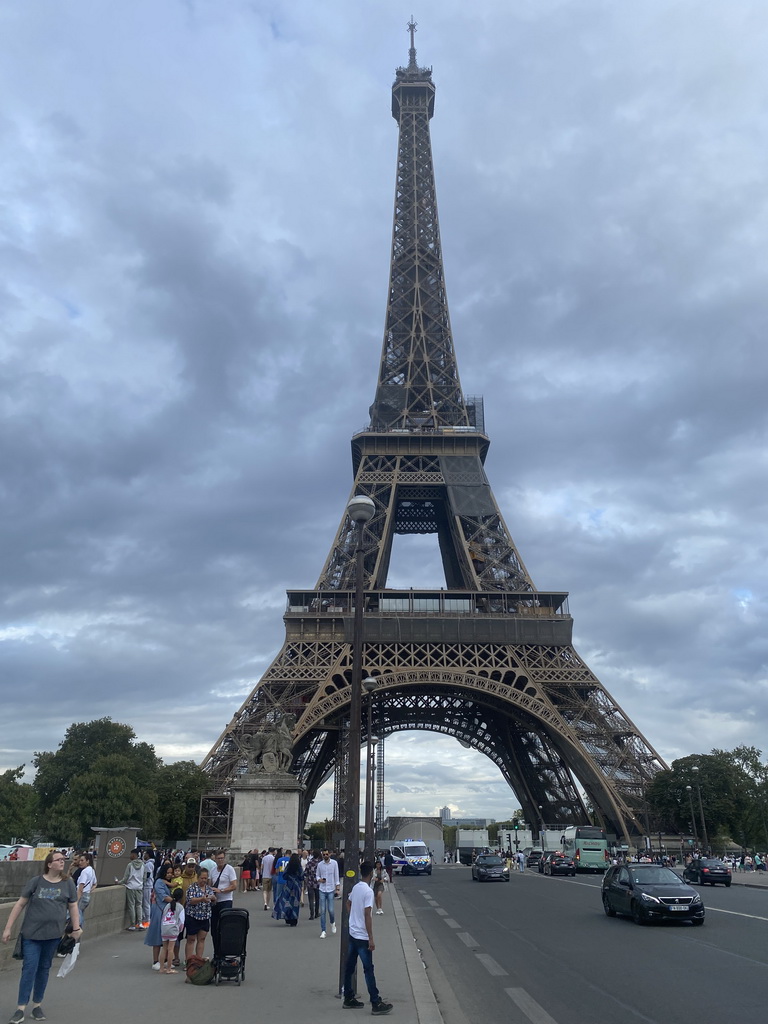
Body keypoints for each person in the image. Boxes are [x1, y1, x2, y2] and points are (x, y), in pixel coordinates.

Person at [2, 850, 82, 1023]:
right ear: (49, 864)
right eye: (58, 859)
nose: (62, 862)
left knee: (44, 969)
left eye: (63, 859)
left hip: (53, 935)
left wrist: (76, 928)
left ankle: (37, 1005)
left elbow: (73, 906)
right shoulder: (36, 882)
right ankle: (20, 1008)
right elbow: (20, 904)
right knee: (29, 969)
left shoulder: (67, 883)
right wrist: (8, 928)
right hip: (32, 935)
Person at [342, 861, 392, 1015]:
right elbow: (367, 915)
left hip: (353, 933)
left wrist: (352, 919)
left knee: (350, 967)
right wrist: (371, 938)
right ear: (370, 874)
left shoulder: (356, 887)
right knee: (368, 969)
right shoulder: (368, 892)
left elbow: (348, 903)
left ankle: (348, 997)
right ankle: (375, 1002)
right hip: (363, 936)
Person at [144, 863, 174, 970]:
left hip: (167, 911)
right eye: (168, 872)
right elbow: (163, 896)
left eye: (171, 873)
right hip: (159, 911)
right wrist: (175, 901)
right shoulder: (159, 883)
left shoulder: (168, 883)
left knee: (166, 936)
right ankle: (155, 960)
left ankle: (164, 959)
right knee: (157, 935)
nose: (169, 875)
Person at [184, 867, 216, 961]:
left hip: (205, 917)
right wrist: (202, 899)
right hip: (193, 916)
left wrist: (213, 899)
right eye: (202, 878)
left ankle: (198, 960)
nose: (203, 880)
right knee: (191, 939)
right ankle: (189, 961)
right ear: (198, 877)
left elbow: (213, 901)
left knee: (201, 939)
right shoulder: (192, 888)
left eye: (205, 878)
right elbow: (190, 900)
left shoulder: (209, 889)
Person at [210, 850, 237, 956]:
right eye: (218, 858)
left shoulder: (229, 869)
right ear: (215, 859)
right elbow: (209, 884)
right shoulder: (212, 870)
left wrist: (221, 890)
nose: (220, 860)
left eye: (222, 858)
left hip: (226, 901)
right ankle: (216, 952)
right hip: (215, 902)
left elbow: (234, 886)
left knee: (224, 927)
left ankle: (224, 952)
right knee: (214, 929)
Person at [117, 848, 145, 930]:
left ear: (134, 855)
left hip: (131, 886)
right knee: (139, 905)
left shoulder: (130, 865)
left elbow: (126, 878)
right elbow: (144, 877)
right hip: (139, 887)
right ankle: (140, 923)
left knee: (131, 905)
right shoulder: (143, 865)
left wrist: (119, 882)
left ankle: (133, 924)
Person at [159, 888, 185, 974]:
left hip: (164, 927)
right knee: (171, 949)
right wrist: (179, 930)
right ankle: (169, 968)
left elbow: (163, 916)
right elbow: (181, 921)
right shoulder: (180, 907)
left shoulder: (167, 905)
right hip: (173, 929)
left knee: (164, 949)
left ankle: (162, 968)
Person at [316, 848, 340, 938]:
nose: (325, 856)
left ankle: (332, 922)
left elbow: (336, 876)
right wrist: (319, 880)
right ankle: (323, 930)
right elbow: (317, 875)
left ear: (329, 854)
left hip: (331, 888)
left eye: (327, 854)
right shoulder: (320, 865)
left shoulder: (334, 863)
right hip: (322, 888)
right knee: (322, 911)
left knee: (331, 910)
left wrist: (337, 888)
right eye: (324, 854)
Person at [76, 853, 97, 924]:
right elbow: (95, 884)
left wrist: (76, 900)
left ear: (87, 861)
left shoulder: (84, 872)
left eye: (82, 860)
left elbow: (80, 888)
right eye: (80, 861)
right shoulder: (92, 870)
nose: (80, 862)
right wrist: (89, 890)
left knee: (77, 915)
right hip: (87, 896)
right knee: (81, 913)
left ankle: (78, 930)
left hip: (82, 895)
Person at [304, 850, 320, 920]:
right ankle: (316, 913)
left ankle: (311, 914)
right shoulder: (320, 863)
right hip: (318, 883)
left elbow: (306, 873)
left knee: (311, 899)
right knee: (317, 899)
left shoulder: (309, 863)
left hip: (310, 882)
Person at [141, 850, 155, 926]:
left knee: (146, 903)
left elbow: (148, 874)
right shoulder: (149, 863)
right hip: (148, 885)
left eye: (145, 854)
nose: (144, 855)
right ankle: (146, 918)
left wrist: (143, 881)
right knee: (146, 902)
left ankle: (147, 920)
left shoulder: (148, 864)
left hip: (147, 885)